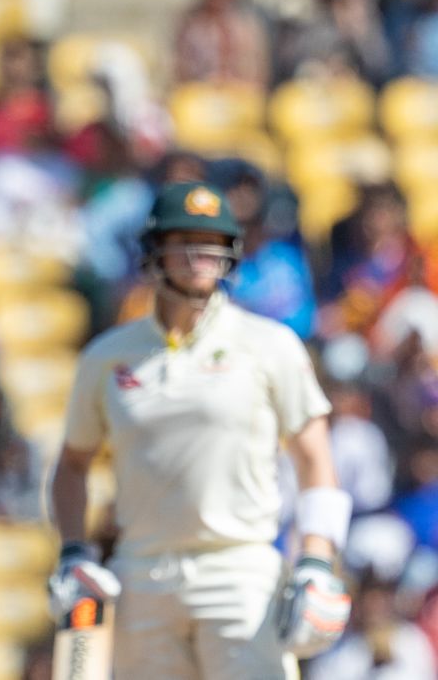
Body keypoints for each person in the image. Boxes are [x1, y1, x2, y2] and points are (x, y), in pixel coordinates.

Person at [49, 181, 354, 679]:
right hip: (142, 575)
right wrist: (73, 551)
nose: (200, 256)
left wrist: (317, 561)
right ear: (154, 250)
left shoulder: (269, 344)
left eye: (212, 242)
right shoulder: (107, 356)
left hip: (240, 574)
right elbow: (72, 463)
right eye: (184, 240)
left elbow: (315, 458)